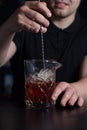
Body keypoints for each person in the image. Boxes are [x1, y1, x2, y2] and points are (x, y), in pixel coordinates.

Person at [0, 0, 87, 107]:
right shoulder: (25, 23)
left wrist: (76, 89)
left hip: (74, 119)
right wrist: (10, 26)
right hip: (23, 117)